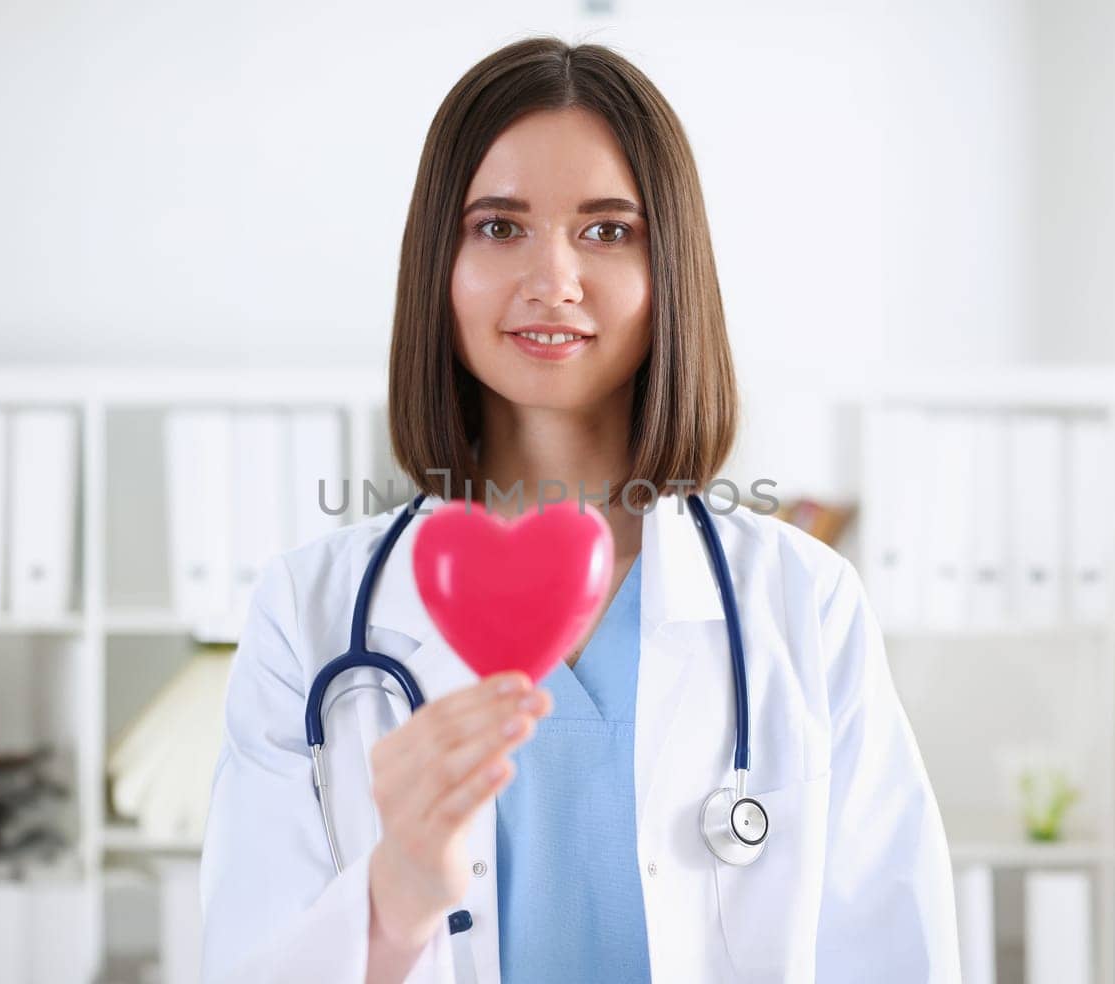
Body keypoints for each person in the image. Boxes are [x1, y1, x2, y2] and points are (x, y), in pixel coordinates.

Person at [200, 35, 960, 984]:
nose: (552, 279)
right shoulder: (307, 617)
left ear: (669, 268)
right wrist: (391, 899)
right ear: (438, 261)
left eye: (607, 231)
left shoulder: (803, 605)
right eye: (498, 226)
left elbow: (897, 959)